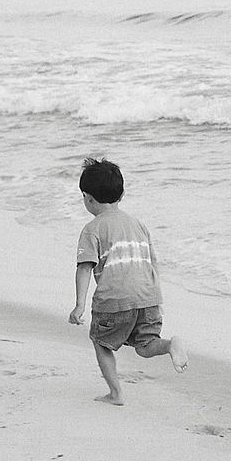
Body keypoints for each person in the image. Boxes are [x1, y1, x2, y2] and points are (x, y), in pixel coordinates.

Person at [68, 157, 188, 405]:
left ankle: (116, 393)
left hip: (114, 300)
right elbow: (151, 263)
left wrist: (79, 305)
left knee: (101, 342)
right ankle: (169, 346)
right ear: (121, 195)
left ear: (87, 198)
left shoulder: (92, 230)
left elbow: (84, 268)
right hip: (148, 297)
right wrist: (157, 300)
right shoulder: (139, 225)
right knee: (146, 345)